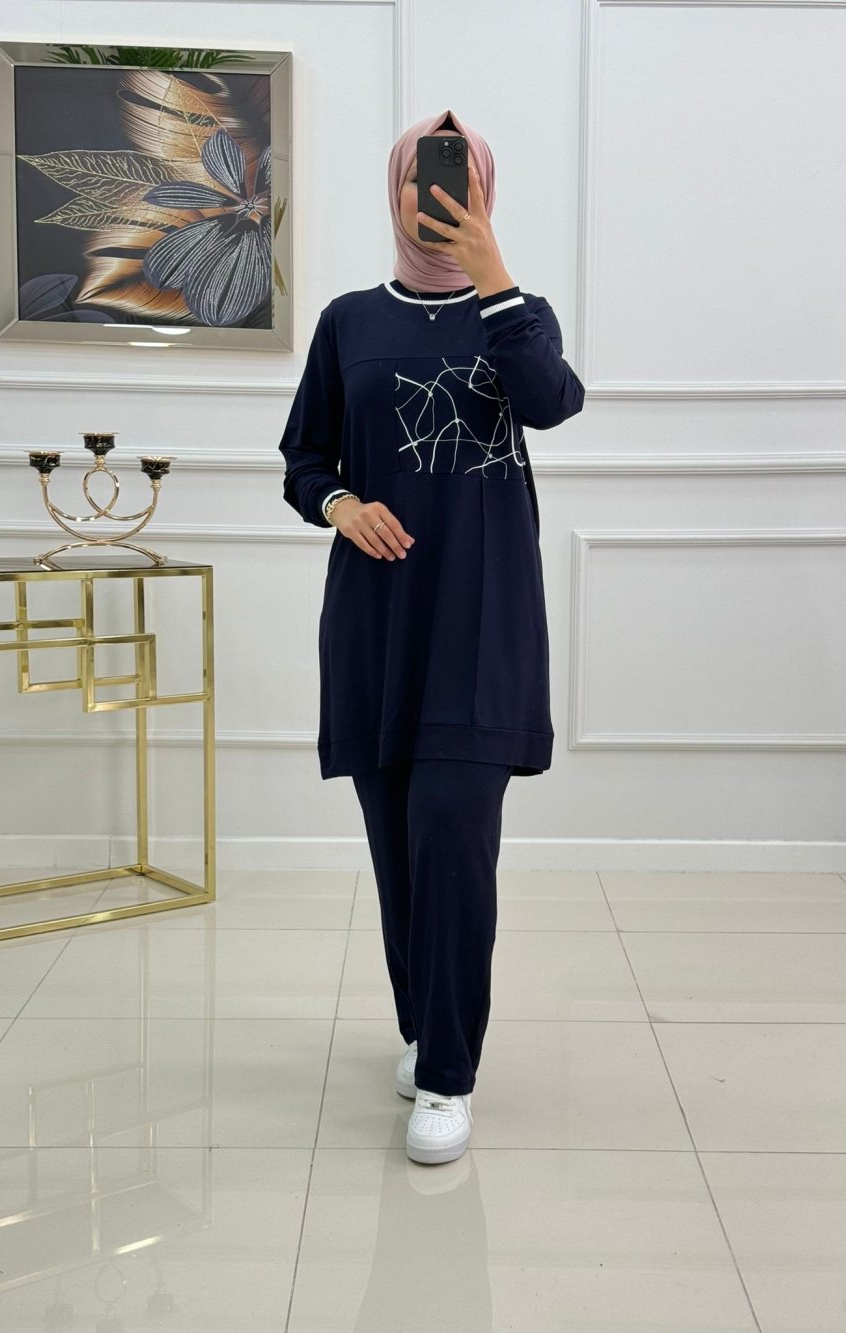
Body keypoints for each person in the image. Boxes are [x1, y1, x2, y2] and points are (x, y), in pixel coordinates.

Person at [278, 108, 585, 1164]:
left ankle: (449, 1074)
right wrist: (339, 505)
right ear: (394, 190)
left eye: (457, 179)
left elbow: (550, 403)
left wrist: (493, 275)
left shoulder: (520, 316)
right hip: (378, 620)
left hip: (483, 622)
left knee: (454, 842)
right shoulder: (348, 321)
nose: (436, 195)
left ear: (484, 192)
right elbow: (304, 458)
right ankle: (425, 1029)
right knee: (400, 852)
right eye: (420, 176)